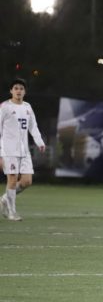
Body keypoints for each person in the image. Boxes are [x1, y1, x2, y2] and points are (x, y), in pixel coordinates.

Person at [0, 78, 46, 221]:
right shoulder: (5, 107)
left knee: (27, 181)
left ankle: (4, 199)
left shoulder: (27, 107)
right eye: (16, 88)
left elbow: (33, 126)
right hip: (8, 150)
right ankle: (12, 213)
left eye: (21, 88)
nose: (18, 91)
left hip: (24, 150)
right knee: (12, 180)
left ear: (25, 91)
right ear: (11, 91)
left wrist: (39, 142)